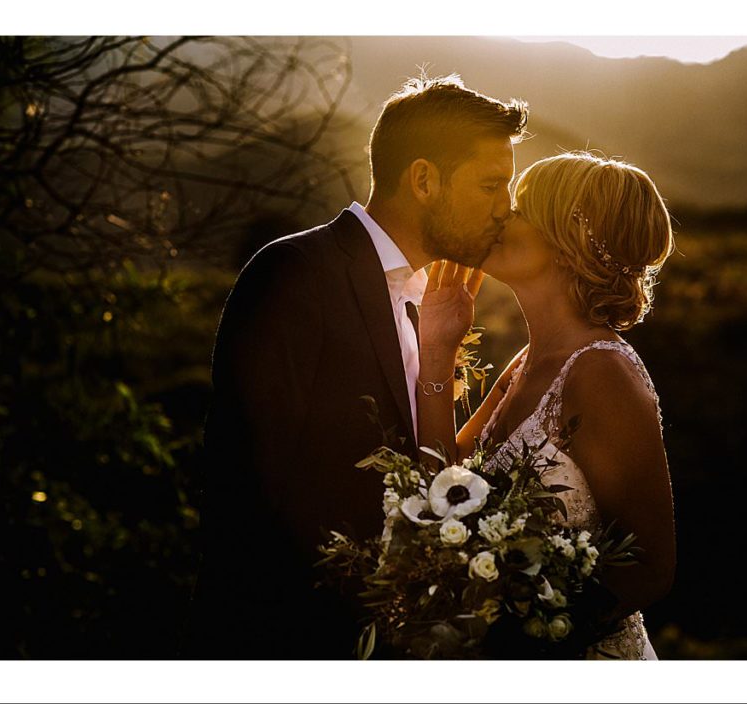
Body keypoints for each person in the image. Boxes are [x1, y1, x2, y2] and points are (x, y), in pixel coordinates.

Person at [186, 75, 528, 658]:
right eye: (491, 185)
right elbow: (240, 489)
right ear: (423, 180)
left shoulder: (436, 306)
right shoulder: (294, 273)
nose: (506, 208)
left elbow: (430, 482)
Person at [416, 151, 677, 659]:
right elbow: (440, 487)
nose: (500, 217)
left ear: (568, 238)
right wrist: (435, 354)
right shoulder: (529, 360)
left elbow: (649, 567)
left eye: (521, 209)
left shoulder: (601, 373)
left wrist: (520, 641)